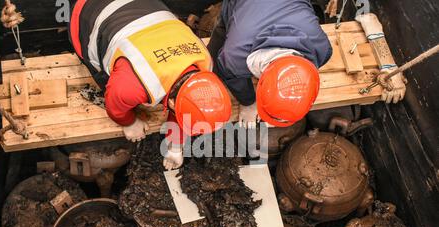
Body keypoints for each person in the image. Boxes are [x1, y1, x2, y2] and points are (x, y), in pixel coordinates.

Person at [68, 0, 232, 170]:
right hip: (88, 12)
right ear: (172, 103)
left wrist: (175, 147)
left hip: (142, 8)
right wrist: (129, 122)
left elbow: (185, 101)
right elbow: (114, 104)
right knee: (103, 75)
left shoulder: (204, 63)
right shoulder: (130, 87)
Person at [208, 0, 332, 128]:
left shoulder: (322, 47)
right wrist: (248, 103)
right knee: (219, 43)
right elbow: (228, 73)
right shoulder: (235, 57)